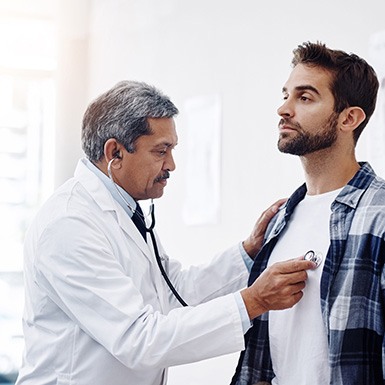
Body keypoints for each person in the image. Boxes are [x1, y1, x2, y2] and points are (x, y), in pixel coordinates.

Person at [15, 81, 314, 385]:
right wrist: (253, 301)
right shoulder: (69, 224)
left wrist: (248, 253)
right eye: (161, 151)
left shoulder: (126, 212)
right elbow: (138, 339)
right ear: (114, 153)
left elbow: (174, 293)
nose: (171, 164)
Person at [230, 41, 384, 385]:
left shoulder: (379, 216)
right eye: (285, 94)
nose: (284, 109)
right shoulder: (279, 221)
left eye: (304, 97)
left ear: (349, 118)